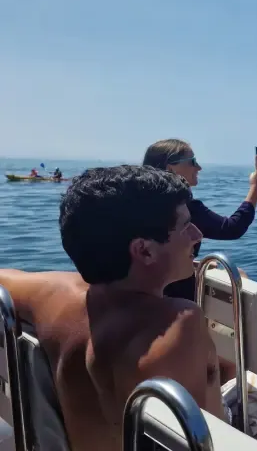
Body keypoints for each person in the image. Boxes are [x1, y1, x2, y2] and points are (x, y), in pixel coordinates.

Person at [0, 166, 223, 451]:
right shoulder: (179, 325)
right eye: (185, 226)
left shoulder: (55, 296)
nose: (197, 234)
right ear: (144, 250)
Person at [143, 139, 257, 301]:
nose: (199, 167)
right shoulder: (185, 209)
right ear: (170, 168)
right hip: (179, 300)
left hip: (148, 295)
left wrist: (192, 262)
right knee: (239, 275)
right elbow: (232, 228)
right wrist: (256, 187)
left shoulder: (140, 205)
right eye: (192, 161)